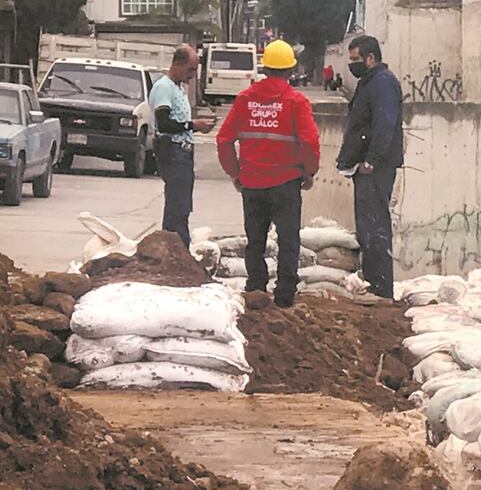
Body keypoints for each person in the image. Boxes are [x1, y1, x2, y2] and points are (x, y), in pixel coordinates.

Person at [216, 40, 321, 308]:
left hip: (252, 183)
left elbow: (224, 139)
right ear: (290, 70)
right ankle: (285, 295)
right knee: (288, 241)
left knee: (255, 241)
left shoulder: (245, 99)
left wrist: (235, 173)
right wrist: (309, 171)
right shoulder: (296, 101)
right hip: (286, 184)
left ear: (264, 68)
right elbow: (310, 141)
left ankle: (256, 289)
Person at [337, 35, 403, 299]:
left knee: (375, 227)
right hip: (364, 167)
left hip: (375, 168)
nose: (352, 65)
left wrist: (371, 160)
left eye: (356, 59)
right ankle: (373, 282)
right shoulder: (370, 82)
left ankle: (381, 288)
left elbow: (384, 125)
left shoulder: (383, 83)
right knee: (367, 228)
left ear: (370, 58)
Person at [150, 45, 215, 247]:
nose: (192, 75)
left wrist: (196, 126)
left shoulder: (178, 88)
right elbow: (164, 123)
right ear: (177, 64)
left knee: (182, 205)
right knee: (177, 206)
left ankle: (175, 246)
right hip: (172, 151)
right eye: (190, 70)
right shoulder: (164, 87)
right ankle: (176, 247)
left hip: (183, 152)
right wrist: (192, 125)